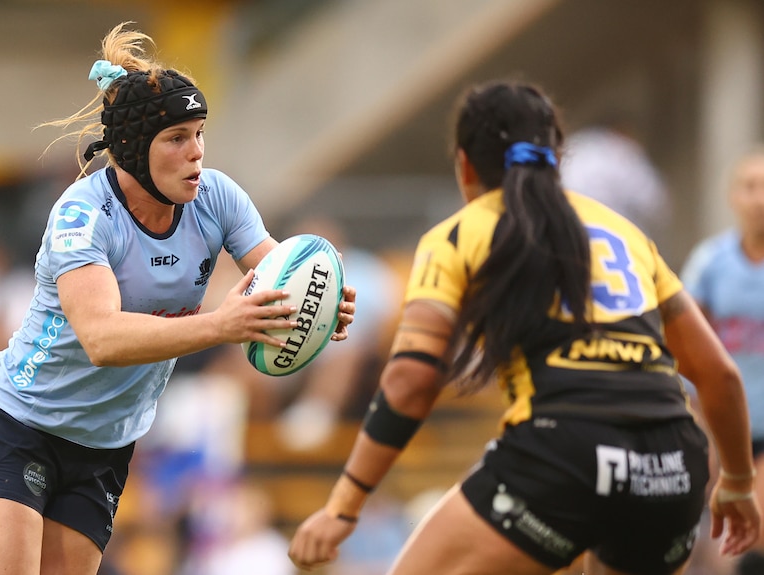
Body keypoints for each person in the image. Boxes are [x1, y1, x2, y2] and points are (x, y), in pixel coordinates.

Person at [288, 80, 760, 575]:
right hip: (670, 465)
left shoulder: (461, 232)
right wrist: (737, 481)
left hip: (564, 453)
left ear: (465, 165)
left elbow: (412, 379)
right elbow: (719, 374)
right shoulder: (625, 233)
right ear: (557, 158)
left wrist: (343, 507)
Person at [0, 22, 355, 575]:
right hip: (16, 425)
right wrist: (221, 325)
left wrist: (319, 303)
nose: (197, 153)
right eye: (176, 138)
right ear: (134, 149)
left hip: (103, 446)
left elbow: (279, 278)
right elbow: (102, 339)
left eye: (200, 133)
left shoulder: (217, 197)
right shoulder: (83, 215)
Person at [680, 147, 764, 573]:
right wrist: (700, 421)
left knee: (756, 527)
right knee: (714, 532)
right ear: (733, 195)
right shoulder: (710, 262)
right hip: (720, 421)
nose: (760, 198)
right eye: (750, 186)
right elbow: (684, 344)